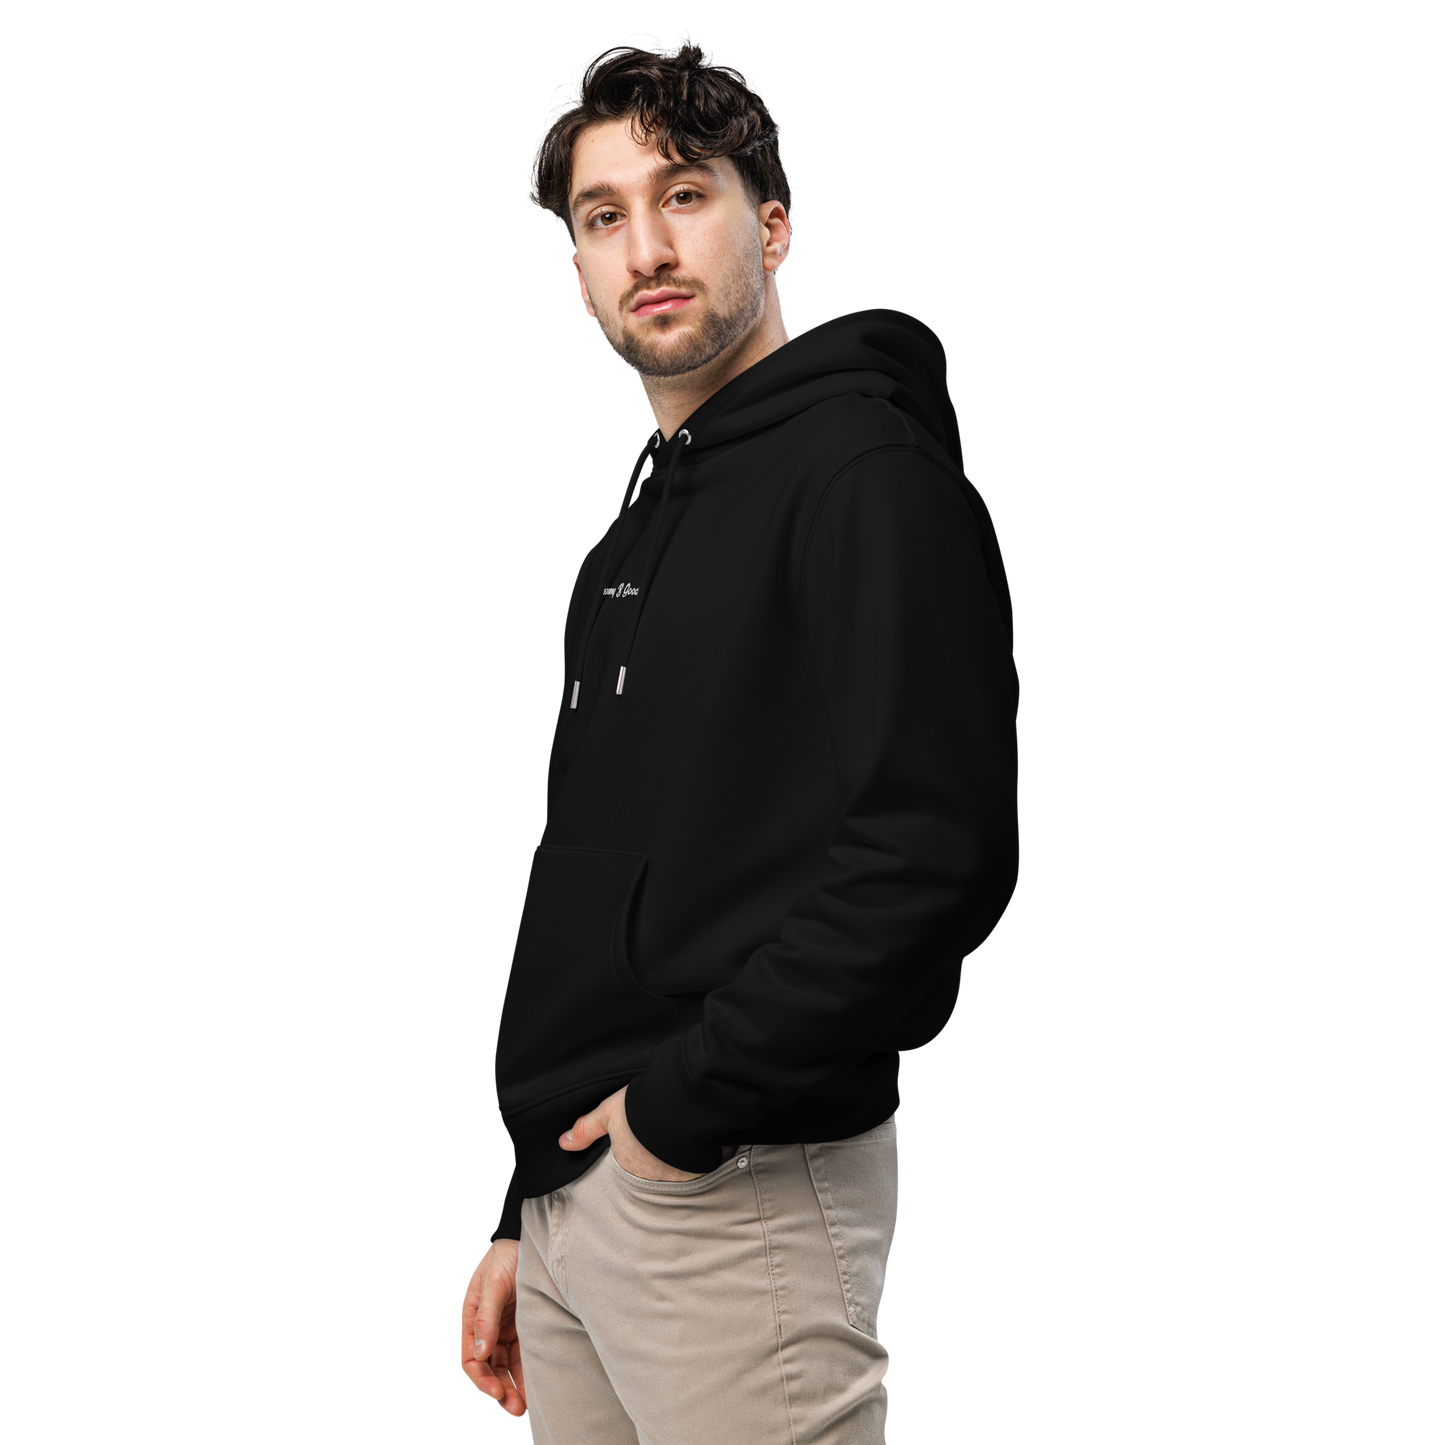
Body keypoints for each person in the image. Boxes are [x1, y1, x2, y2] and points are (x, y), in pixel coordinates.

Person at [458, 27, 1020, 1442]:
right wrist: (532, 1203)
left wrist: (680, 1113)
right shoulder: (623, 540)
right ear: (577, 272)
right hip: (584, 1194)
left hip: (739, 1184)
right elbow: (590, 887)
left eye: (685, 194)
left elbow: (934, 849)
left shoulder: (865, 477)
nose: (647, 246)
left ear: (771, 227)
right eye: (604, 217)